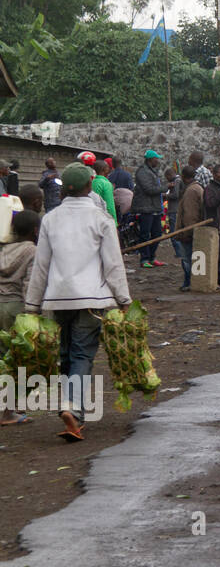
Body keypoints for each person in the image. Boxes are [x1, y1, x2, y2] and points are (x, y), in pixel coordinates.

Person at [24, 162, 131, 442]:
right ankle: (73, 409)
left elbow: (41, 266)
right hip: (90, 300)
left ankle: (71, 405)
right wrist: (123, 298)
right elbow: (113, 264)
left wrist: (32, 304)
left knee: (64, 356)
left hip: (56, 300)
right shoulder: (101, 219)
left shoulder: (50, 219)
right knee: (82, 355)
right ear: (88, 187)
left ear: (63, 192)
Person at [0, 211, 39, 425]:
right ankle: (8, 412)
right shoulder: (32, 251)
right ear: (35, 231)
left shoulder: (4, 248)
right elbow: (30, 284)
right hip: (15, 307)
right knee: (15, 360)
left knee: (1, 358)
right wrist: (33, 313)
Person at [128, 150, 166, 269]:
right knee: (144, 234)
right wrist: (165, 187)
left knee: (157, 233)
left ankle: (151, 257)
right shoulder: (142, 172)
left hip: (154, 207)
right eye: (156, 159)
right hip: (145, 208)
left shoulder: (152, 171)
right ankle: (144, 259)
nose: (158, 161)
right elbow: (149, 189)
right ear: (150, 159)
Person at [176, 165, 204, 292]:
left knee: (188, 259)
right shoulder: (196, 188)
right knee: (195, 257)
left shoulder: (191, 191)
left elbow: (190, 215)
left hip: (190, 231)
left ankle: (189, 283)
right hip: (195, 230)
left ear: (183, 177)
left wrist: (186, 233)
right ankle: (195, 282)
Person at [203, 164, 220, 289]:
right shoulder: (209, 189)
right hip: (214, 227)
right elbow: (211, 204)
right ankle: (218, 280)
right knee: (216, 256)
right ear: (214, 174)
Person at [91, 160, 117, 224]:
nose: (109, 169)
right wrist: (114, 221)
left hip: (94, 218)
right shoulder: (106, 184)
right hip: (105, 219)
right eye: (107, 167)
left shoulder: (92, 182)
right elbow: (110, 205)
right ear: (104, 169)